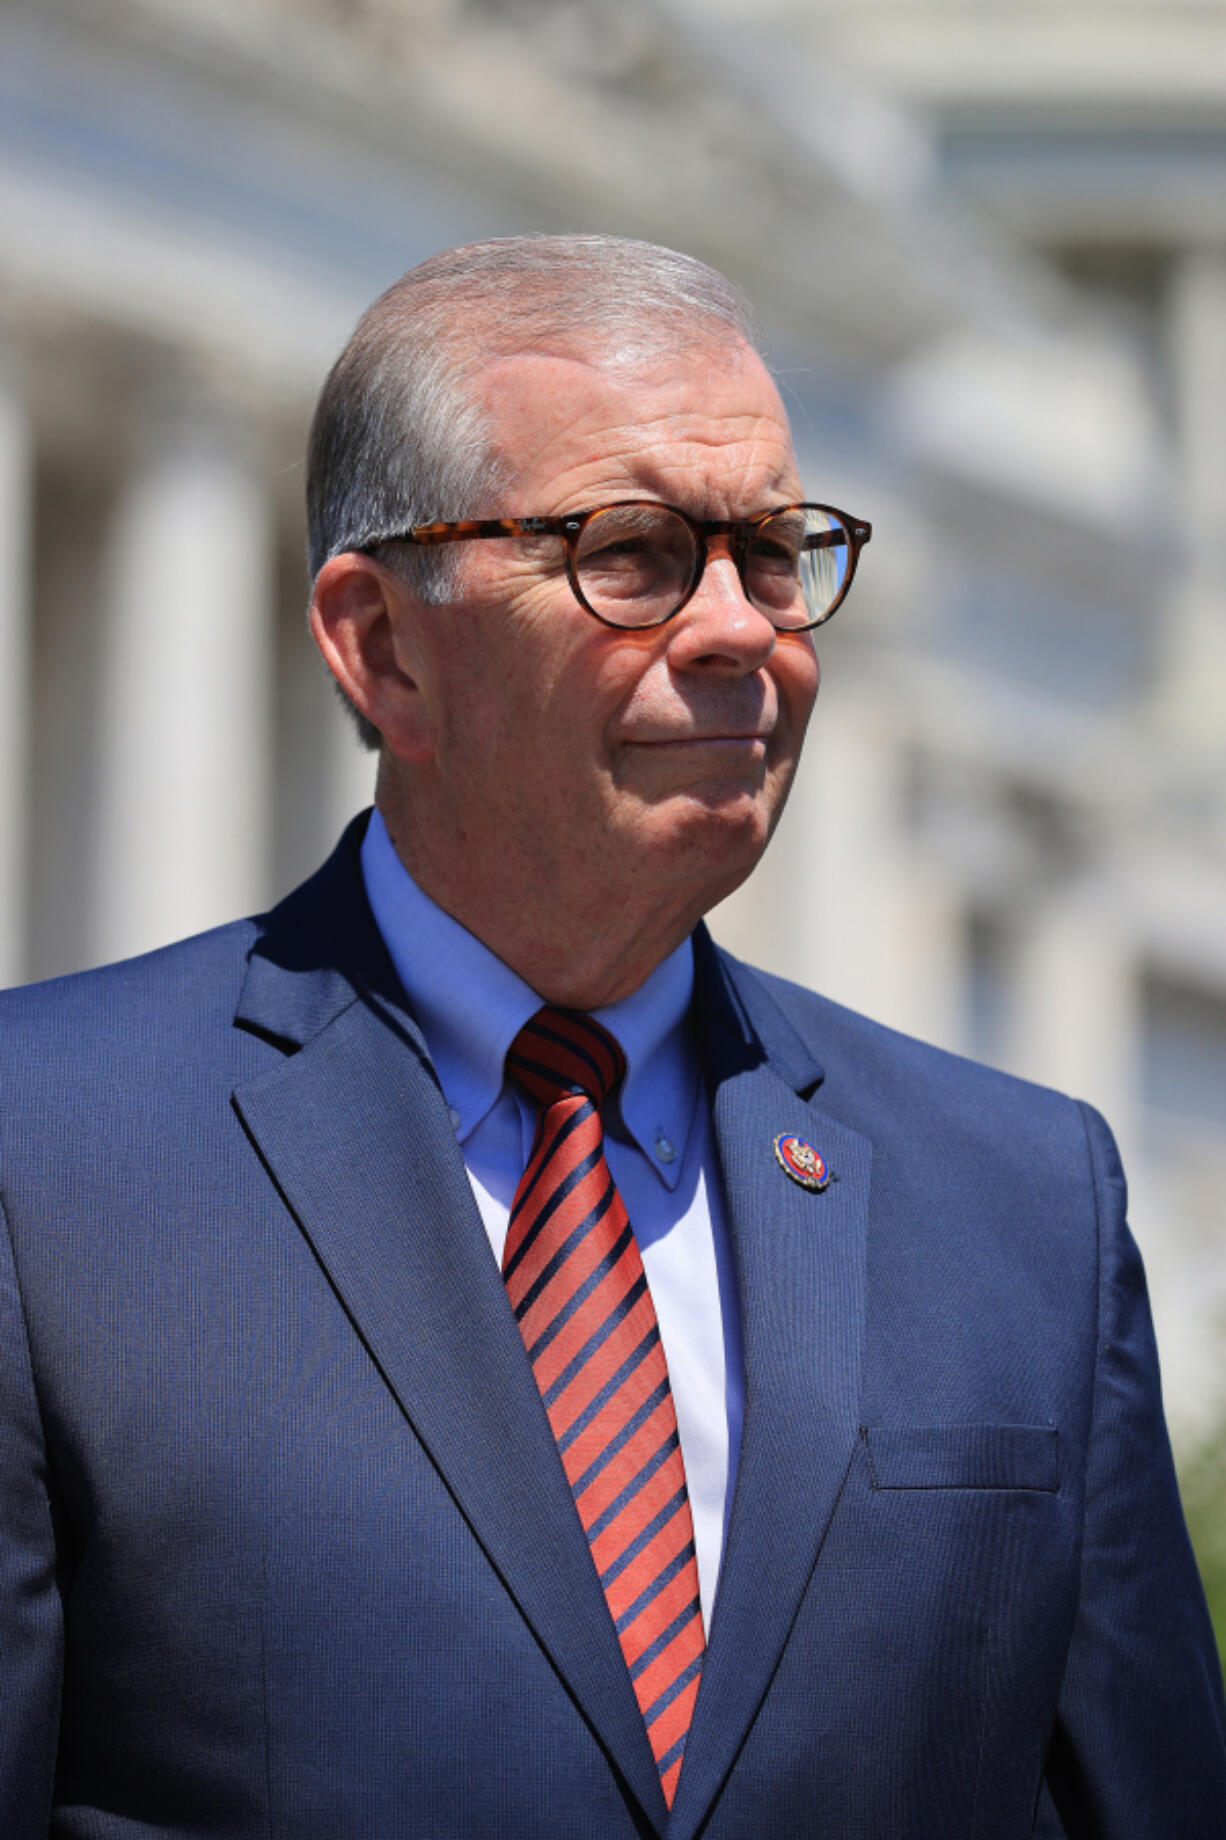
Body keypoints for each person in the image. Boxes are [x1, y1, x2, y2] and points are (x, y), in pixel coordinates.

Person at [0, 235, 1223, 1840]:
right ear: (383, 646)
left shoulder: (1018, 1203)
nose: (741, 630)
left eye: (774, 552)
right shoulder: (46, 1159)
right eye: (631, 554)